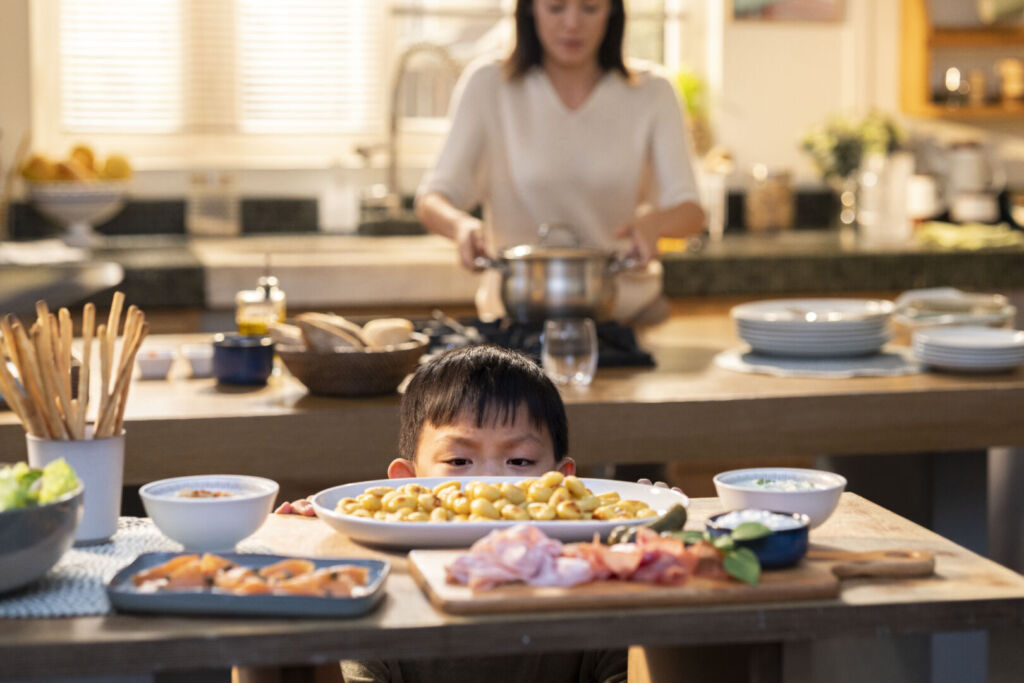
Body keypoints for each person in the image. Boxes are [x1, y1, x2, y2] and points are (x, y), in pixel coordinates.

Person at [341, 345, 627, 683]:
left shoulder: (595, 590)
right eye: (459, 461)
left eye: (519, 462)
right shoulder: (377, 593)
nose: (490, 483)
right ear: (407, 486)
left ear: (563, 484)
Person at [416, 0, 706, 324]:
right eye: (555, 7)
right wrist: (461, 226)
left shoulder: (654, 92)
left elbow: (691, 212)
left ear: (612, 11)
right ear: (529, 10)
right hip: (517, 319)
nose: (572, 23)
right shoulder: (488, 85)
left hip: (627, 317)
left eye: (590, 8)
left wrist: (653, 225)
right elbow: (432, 200)